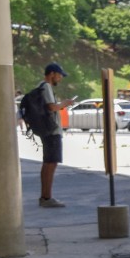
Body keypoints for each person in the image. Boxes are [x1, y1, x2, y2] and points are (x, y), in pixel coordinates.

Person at [36, 63, 75, 208]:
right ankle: (46, 197)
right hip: (52, 131)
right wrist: (64, 103)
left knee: (48, 163)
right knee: (51, 163)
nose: (61, 78)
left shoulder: (41, 86)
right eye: (59, 75)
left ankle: (45, 196)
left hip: (47, 130)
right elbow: (51, 107)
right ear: (52, 74)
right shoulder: (46, 86)